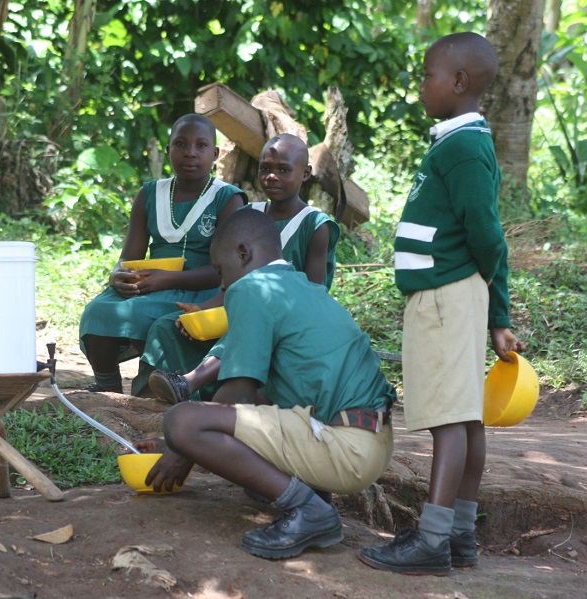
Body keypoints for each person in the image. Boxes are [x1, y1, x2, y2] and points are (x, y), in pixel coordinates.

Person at [356, 32, 525, 576]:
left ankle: (432, 539)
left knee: (449, 420)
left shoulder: (465, 148)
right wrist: (494, 315)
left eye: (427, 76)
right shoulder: (453, 142)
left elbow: (489, 241)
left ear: (458, 82)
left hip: (446, 300)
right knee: (464, 418)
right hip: (447, 298)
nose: (421, 86)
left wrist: (497, 315)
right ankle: (459, 536)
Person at [135, 208, 395, 560]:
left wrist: (180, 447)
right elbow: (259, 395)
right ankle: (313, 490)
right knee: (262, 395)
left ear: (243, 253)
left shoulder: (251, 289)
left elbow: (235, 394)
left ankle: (310, 511)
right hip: (372, 442)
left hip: (346, 450)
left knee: (183, 420)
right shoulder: (301, 286)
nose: (222, 284)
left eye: (220, 270)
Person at [134, 133, 340, 402]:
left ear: (306, 173)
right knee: (168, 327)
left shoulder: (316, 226)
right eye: (265, 169)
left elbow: (312, 298)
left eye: (284, 170)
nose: (272, 177)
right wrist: (203, 309)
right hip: (237, 310)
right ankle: (145, 401)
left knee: (247, 328)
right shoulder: (248, 214)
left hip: (287, 321)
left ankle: (189, 385)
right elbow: (231, 280)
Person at [78, 114, 247, 393]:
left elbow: (222, 271)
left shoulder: (227, 199)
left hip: (201, 288)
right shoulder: (149, 194)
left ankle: (155, 386)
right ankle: (108, 386)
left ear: (215, 154)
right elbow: (128, 255)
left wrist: (168, 279)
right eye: (180, 144)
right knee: (97, 311)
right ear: (168, 149)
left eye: (201, 145)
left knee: (157, 321)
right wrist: (117, 274)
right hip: (151, 282)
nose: (190, 152)